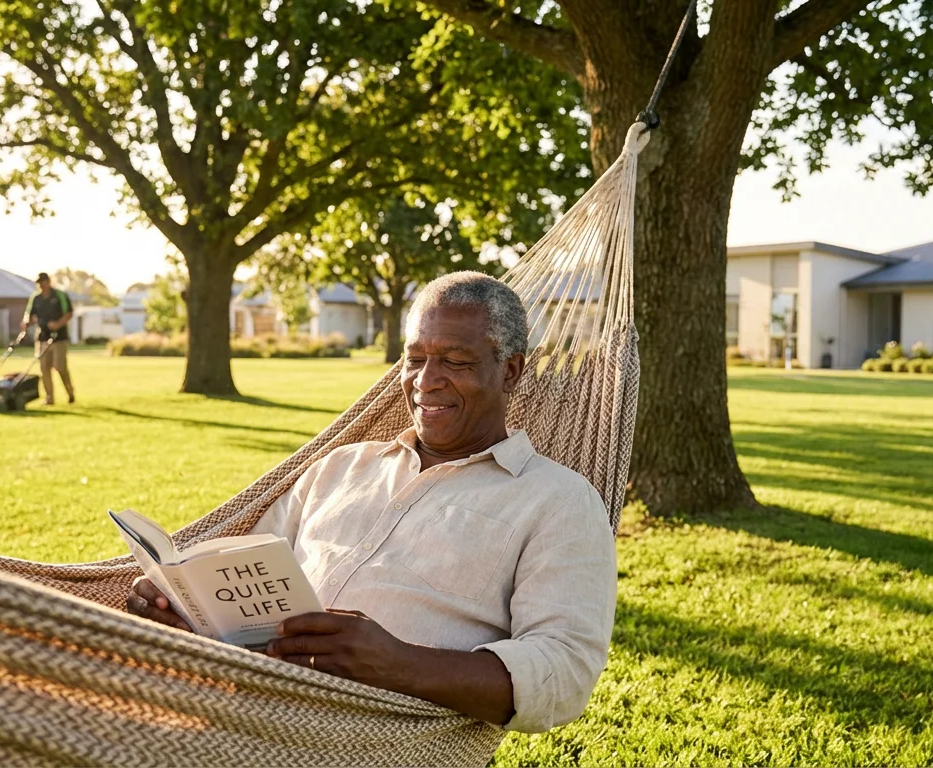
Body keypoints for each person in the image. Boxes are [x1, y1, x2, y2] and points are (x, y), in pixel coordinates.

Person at [126, 272, 617, 733]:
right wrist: (185, 609)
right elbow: (246, 573)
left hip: (371, 740)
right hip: (247, 706)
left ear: (509, 372)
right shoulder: (340, 466)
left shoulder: (558, 501)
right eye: (415, 358)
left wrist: (398, 663)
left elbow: (564, 673)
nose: (426, 380)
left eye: (456, 361)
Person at [23, 272, 75, 405]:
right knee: (44, 368)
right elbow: (29, 313)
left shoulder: (59, 295)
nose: (41, 285)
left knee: (60, 367)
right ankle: (49, 397)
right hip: (42, 337)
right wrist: (26, 323)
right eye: (39, 282)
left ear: (48, 282)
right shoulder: (36, 297)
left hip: (59, 337)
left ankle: (70, 393)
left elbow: (69, 313)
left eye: (43, 282)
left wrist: (57, 324)